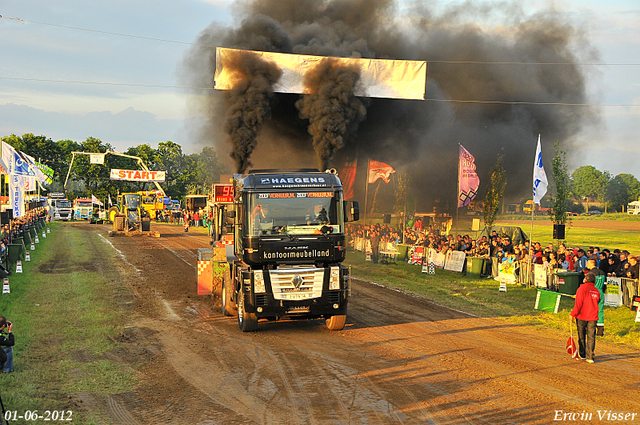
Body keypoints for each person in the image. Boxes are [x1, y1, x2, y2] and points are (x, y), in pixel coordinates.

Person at [570, 273, 600, 363]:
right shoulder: (596, 291)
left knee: (581, 335)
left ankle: (582, 354)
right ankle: (590, 356)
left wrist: (573, 314)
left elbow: (578, 304)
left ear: (586, 279)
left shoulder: (582, 288)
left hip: (582, 315)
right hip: (593, 316)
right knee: (591, 337)